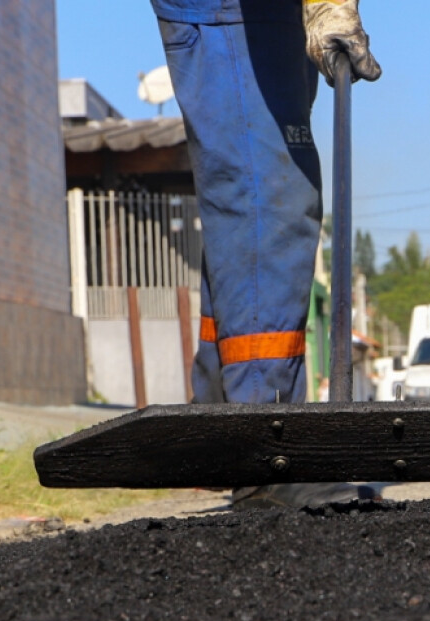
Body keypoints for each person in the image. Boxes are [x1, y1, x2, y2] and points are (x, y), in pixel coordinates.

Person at [149, 0, 382, 507]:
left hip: (262, 15)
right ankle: (267, 443)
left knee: (248, 205)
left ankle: (221, 426)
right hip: (235, 14)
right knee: (267, 197)